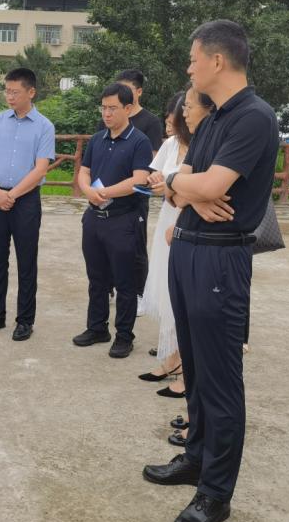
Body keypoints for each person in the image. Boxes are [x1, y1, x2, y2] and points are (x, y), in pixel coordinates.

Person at [142, 19, 278, 522]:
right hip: (189, 247)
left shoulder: (253, 117)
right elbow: (177, 187)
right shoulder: (214, 116)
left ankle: (216, 492)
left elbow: (211, 182)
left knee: (220, 381)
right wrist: (183, 186)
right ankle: (195, 458)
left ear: (218, 61)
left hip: (222, 256)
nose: (189, 67)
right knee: (195, 369)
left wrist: (180, 184)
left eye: (194, 58)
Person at [138, 86, 214, 399]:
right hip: (168, 219)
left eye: (183, 111)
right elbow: (158, 178)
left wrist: (171, 189)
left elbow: (198, 191)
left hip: (187, 221)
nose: (176, 118)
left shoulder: (204, 144)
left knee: (184, 295)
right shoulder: (173, 144)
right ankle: (171, 357)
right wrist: (167, 186)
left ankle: (185, 366)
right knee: (168, 291)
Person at [0, 68, 56, 341]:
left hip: (26, 200)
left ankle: (25, 320)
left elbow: (41, 169)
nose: (9, 96)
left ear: (31, 92)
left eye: (14, 92)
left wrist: (13, 195)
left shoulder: (44, 126)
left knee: (26, 261)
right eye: (6, 91)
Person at [73, 82, 153, 358]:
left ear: (128, 109)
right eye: (103, 108)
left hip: (124, 219)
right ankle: (97, 327)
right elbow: (83, 171)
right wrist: (87, 190)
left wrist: (104, 192)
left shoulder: (139, 141)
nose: (106, 114)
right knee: (96, 278)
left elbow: (139, 179)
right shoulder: (98, 139)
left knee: (125, 282)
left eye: (112, 108)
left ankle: (124, 335)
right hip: (95, 217)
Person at [96, 70, 163, 311]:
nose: (108, 111)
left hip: (134, 198)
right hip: (103, 196)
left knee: (134, 247)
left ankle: (138, 292)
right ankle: (109, 289)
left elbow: (154, 161)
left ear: (138, 92)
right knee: (103, 247)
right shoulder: (106, 119)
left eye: (125, 90)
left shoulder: (150, 123)